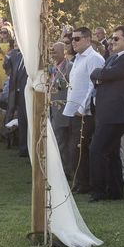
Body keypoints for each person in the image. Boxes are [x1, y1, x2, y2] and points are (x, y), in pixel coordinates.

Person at [88, 25, 124, 202]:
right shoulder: (114, 58)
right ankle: (115, 192)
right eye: (112, 38)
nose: (112, 41)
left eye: (116, 38)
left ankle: (99, 191)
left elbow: (100, 74)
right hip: (108, 113)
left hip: (117, 114)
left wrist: (100, 75)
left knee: (97, 150)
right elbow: (101, 76)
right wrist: (101, 75)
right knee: (110, 153)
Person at [63, 27, 105, 194]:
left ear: (88, 40)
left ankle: (85, 183)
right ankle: (79, 181)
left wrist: (83, 107)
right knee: (74, 148)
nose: (73, 42)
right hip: (73, 109)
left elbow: (92, 86)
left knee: (80, 148)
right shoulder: (78, 58)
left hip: (85, 112)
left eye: (77, 39)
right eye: (72, 39)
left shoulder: (94, 58)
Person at [49, 42, 73, 177]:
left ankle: (66, 171)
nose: (53, 55)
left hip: (63, 110)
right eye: (51, 52)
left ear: (64, 52)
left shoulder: (69, 67)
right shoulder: (51, 67)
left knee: (63, 141)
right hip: (52, 108)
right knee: (58, 140)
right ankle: (59, 169)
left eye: (55, 52)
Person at [4, 45, 29, 156]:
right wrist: (7, 58)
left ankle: (29, 149)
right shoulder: (15, 55)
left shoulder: (31, 57)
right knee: (22, 120)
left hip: (27, 93)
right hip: (16, 93)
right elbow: (7, 69)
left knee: (27, 120)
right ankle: (22, 149)